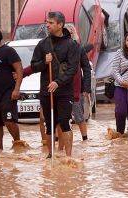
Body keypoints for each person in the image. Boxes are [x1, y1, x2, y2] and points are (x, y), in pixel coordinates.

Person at [30, 11, 79, 158]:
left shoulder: (71, 44)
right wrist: (44, 62)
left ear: (60, 24)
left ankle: (69, 157)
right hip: (46, 91)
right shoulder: (42, 44)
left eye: (51, 23)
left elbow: (72, 69)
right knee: (49, 123)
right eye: (47, 22)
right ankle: (50, 155)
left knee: (65, 121)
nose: (47, 25)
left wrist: (58, 82)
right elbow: (33, 66)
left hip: (64, 91)